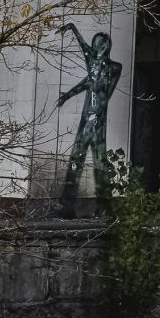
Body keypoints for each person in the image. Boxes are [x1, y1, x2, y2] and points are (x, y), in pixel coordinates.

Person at [56, 22, 122, 212]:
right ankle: (68, 204)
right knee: (78, 160)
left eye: (98, 46)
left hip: (96, 121)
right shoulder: (95, 65)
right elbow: (88, 80)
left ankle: (104, 206)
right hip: (88, 119)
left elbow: (101, 89)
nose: (94, 49)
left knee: (98, 162)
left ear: (104, 47)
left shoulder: (113, 68)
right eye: (94, 46)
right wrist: (74, 29)